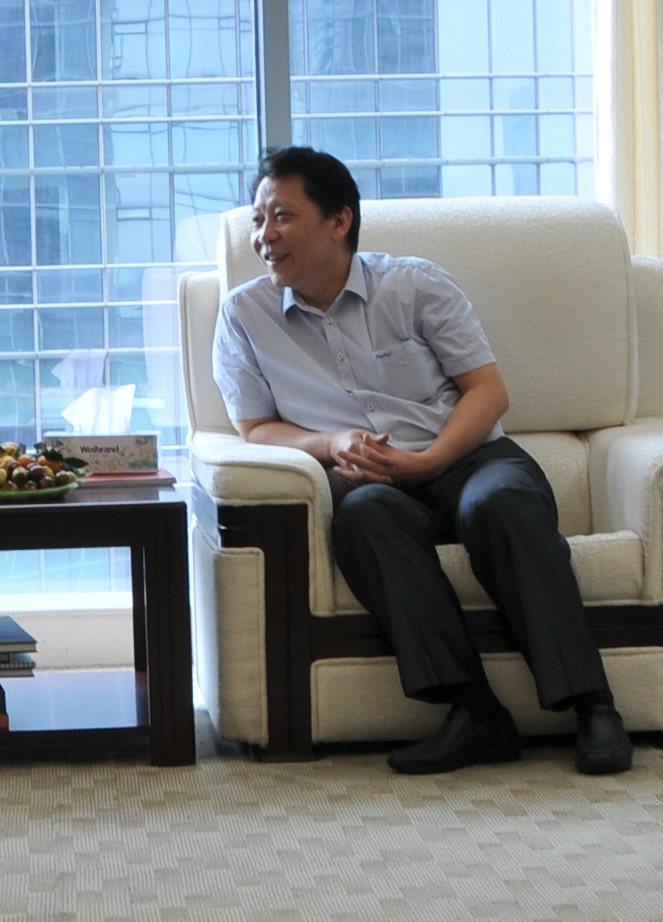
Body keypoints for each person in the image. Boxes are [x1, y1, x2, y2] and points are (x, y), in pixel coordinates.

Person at [216, 147, 634, 778]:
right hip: (369, 479)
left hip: (470, 457)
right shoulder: (244, 315)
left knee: (500, 503)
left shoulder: (413, 284)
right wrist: (331, 442)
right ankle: (476, 713)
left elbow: (487, 392)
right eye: (257, 220)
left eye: (282, 216)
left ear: (338, 221)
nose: (264, 236)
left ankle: (594, 705)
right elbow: (254, 428)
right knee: (364, 517)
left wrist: (430, 460)